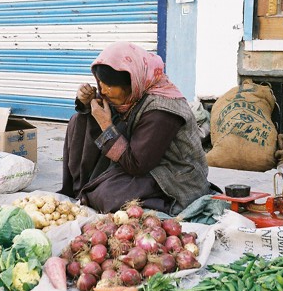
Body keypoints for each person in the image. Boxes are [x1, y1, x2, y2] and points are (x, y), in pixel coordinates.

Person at [59, 42, 211, 215]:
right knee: (80, 120)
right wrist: (87, 100)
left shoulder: (162, 111)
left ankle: (162, 203)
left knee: (107, 196)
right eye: (99, 83)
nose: (103, 91)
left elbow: (137, 165)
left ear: (132, 82)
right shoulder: (134, 92)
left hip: (173, 175)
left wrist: (106, 125)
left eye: (108, 86)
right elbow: (111, 118)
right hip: (142, 160)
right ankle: (83, 186)